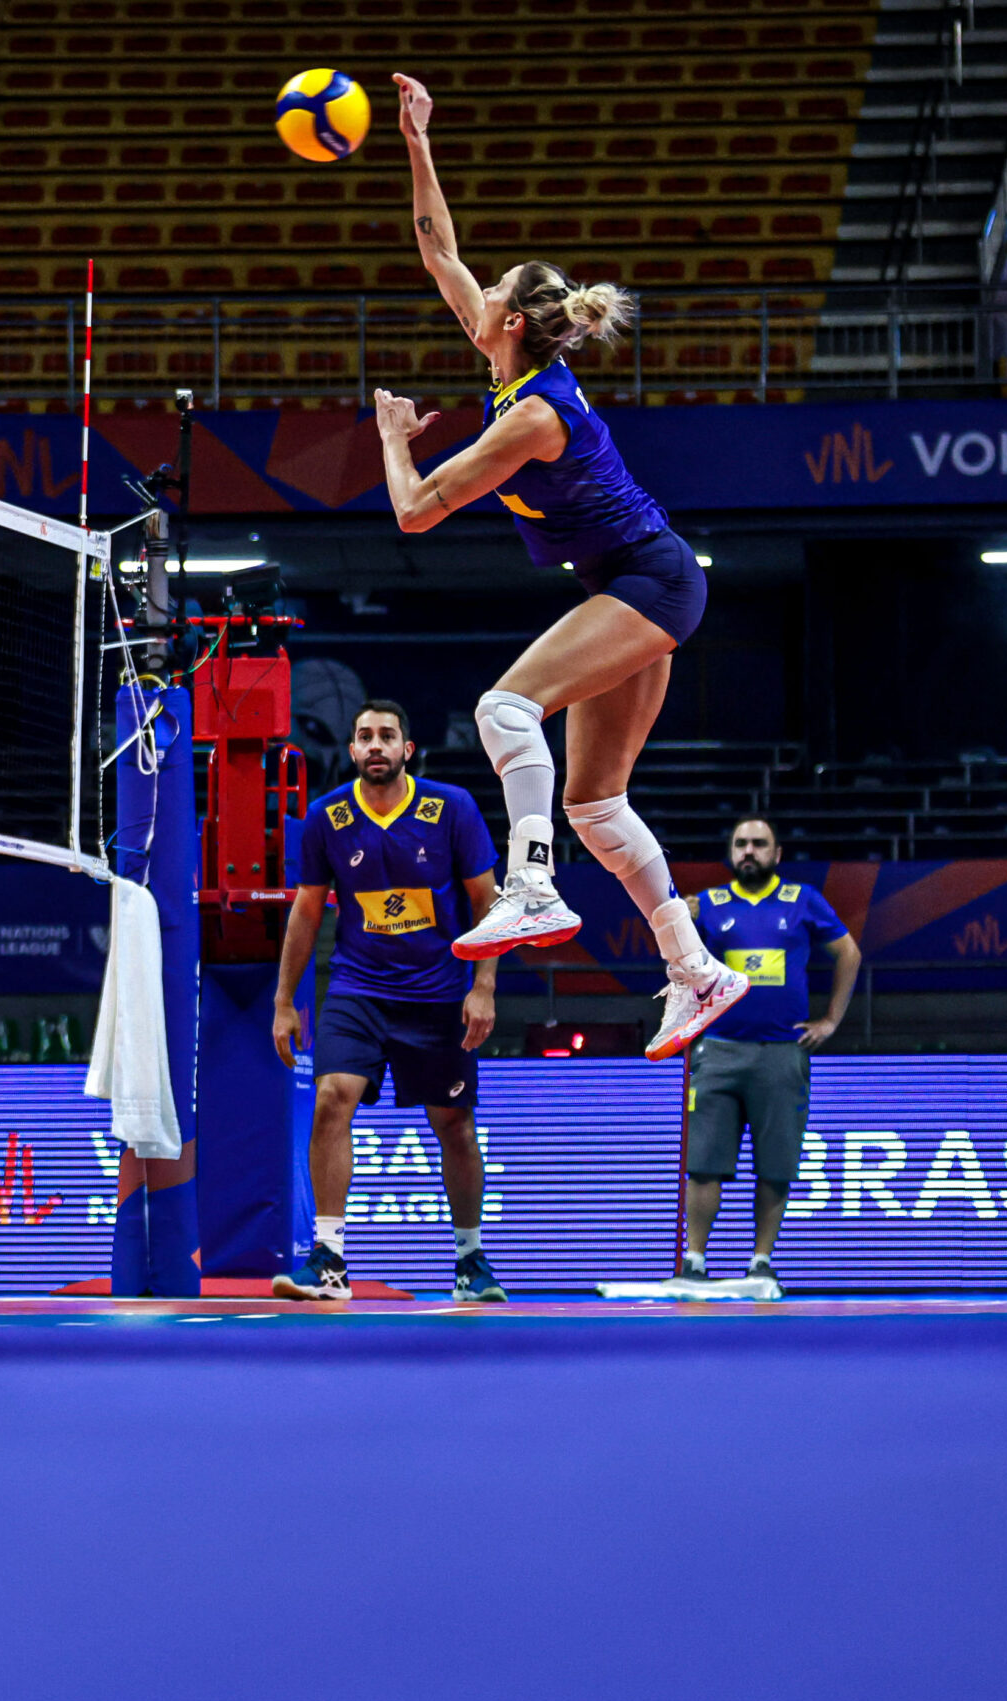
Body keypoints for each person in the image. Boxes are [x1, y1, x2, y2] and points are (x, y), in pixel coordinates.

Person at [372, 71, 745, 1064]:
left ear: (509, 325)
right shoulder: (509, 362)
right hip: (634, 584)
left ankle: (529, 884)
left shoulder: (530, 419)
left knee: (503, 709)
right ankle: (695, 969)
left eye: (490, 294)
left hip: (651, 581)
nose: (474, 291)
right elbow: (436, 247)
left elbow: (411, 513)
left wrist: (393, 436)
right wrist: (417, 135)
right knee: (594, 801)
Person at [269, 701, 503, 1304]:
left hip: (439, 993)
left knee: (452, 1123)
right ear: (352, 751)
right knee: (330, 1097)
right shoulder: (326, 817)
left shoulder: (451, 808)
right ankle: (328, 1260)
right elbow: (306, 910)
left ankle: (470, 1261)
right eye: (365, 737)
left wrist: (483, 988)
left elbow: (489, 904)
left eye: (387, 736)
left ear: (408, 749)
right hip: (359, 988)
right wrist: (284, 999)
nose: (376, 745)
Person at [670, 818, 859, 1300]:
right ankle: (694, 1264)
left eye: (758, 844)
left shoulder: (804, 900)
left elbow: (848, 953)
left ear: (777, 852)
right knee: (705, 1164)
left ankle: (762, 1263)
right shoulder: (708, 906)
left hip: (782, 1053)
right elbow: (675, 963)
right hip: (719, 1051)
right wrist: (680, 922)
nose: (748, 851)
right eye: (740, 844)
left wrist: (830, 1021)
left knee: (775, 1166)